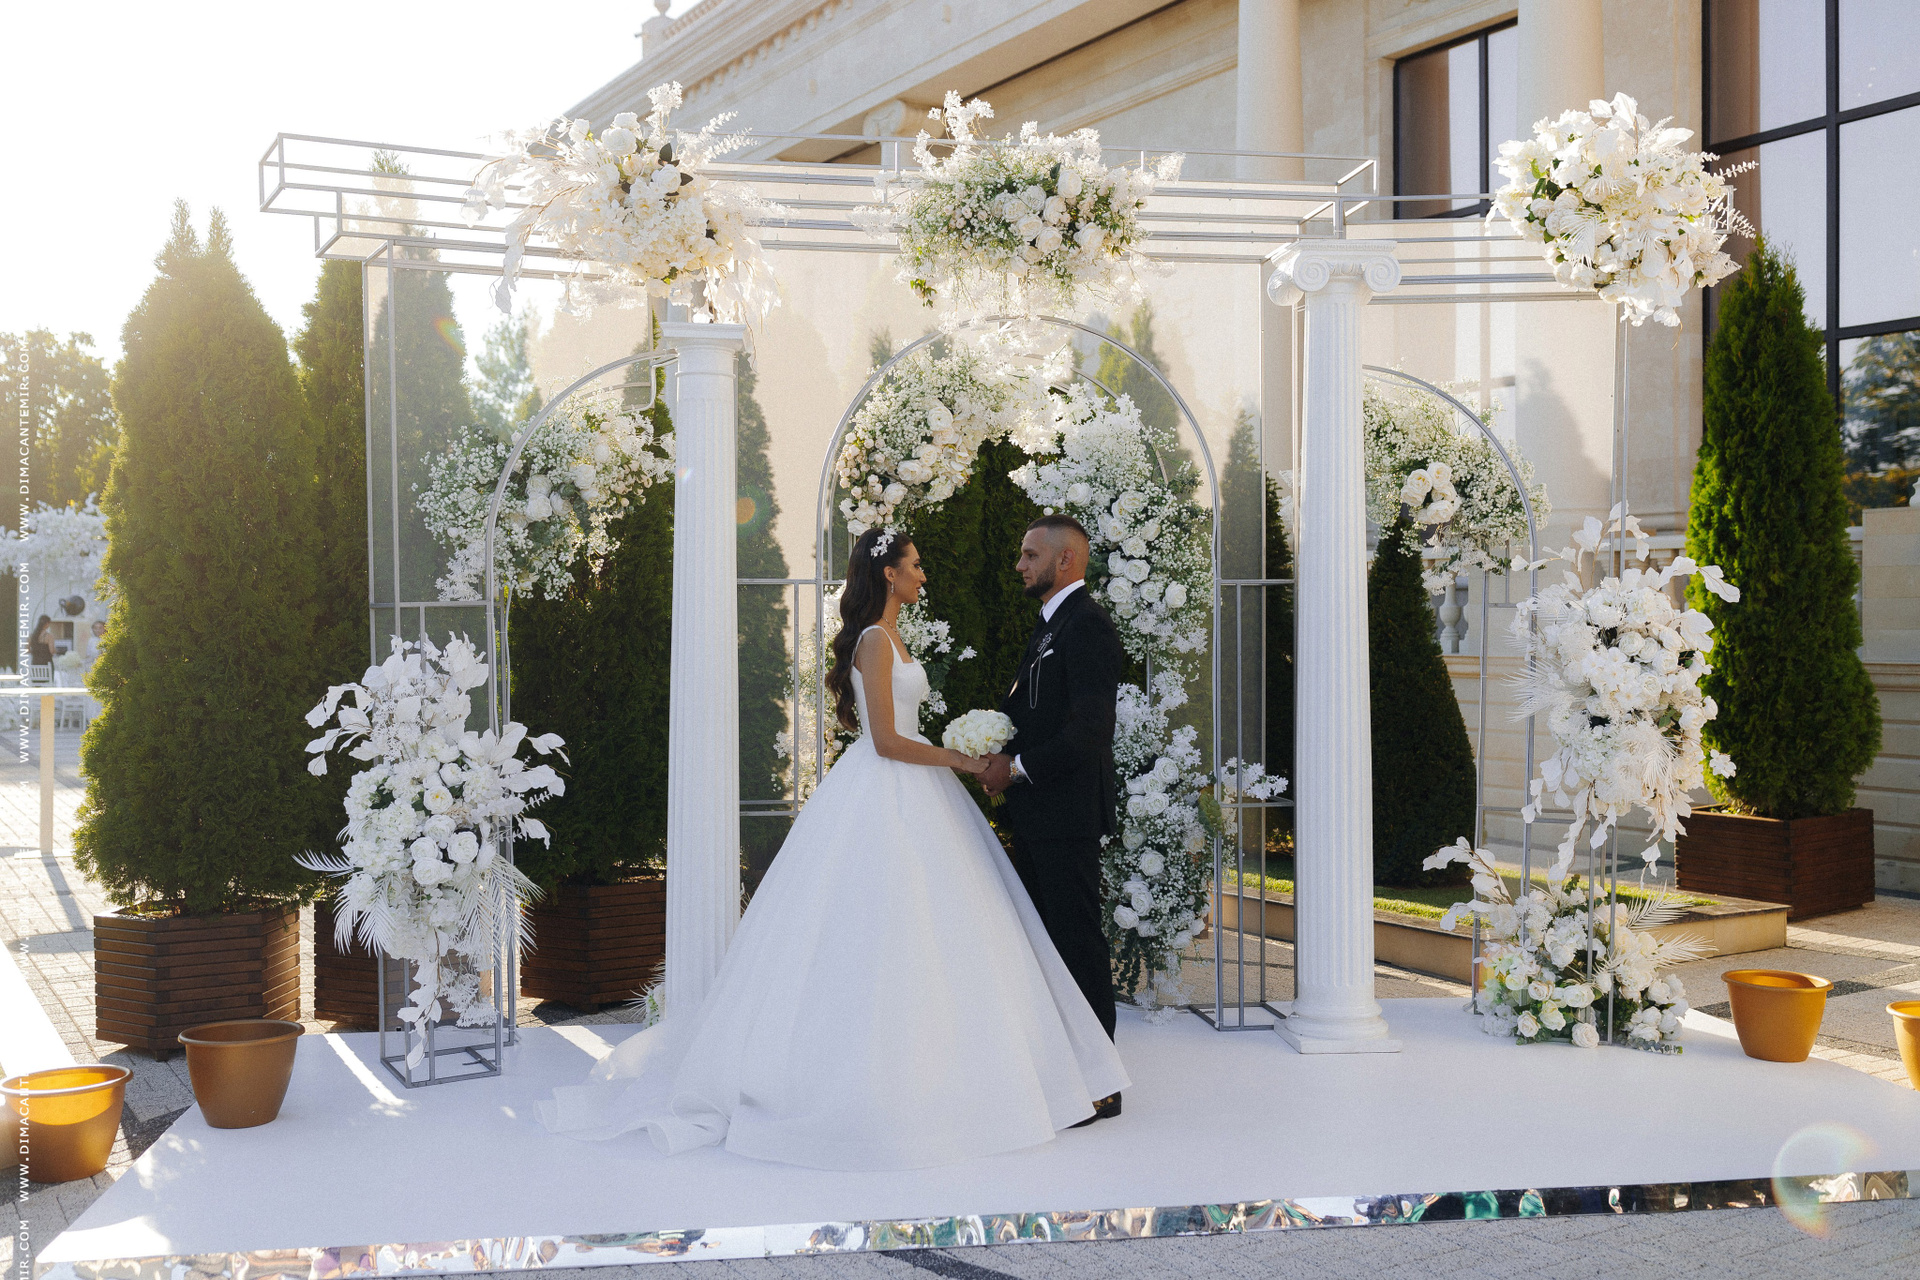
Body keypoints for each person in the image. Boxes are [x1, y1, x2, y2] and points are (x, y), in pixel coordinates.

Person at [539, 526, 1128, 1170]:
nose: (923, 575)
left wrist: (989, 758)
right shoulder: (874, 639)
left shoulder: (896, 635)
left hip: (925, 791)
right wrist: (964, 760)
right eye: (915, 564)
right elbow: (886, 742)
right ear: (889, 574)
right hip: (888, 785)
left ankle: (1024, 1064)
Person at [979, 515, 1127, 1123]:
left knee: (1077, 941)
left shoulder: (1086, 625)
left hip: (1066, 814)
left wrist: (1015, 768)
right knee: (1050, 943)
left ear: (1066, 560)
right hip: (1040, 814)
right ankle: (1065, 1068)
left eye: (1030, 555)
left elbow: (1090, 731)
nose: (1020, 564)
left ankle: (1102, 1084)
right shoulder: (1050, 625)